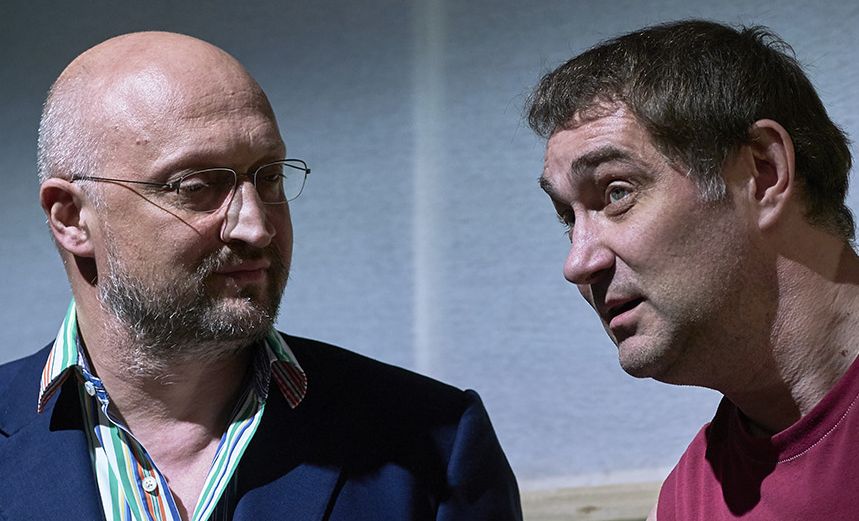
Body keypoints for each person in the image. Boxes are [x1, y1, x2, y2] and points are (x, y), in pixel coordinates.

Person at [0, 31, 522, 520]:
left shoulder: (432, 442)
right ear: (72, 218)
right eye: (196, 187)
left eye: (269, 177)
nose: (256, 226)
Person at [528, 19, 859, 520]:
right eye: (568, 219)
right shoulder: (685, 503)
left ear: (762, 174)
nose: (578, 263)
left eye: (616, 193)